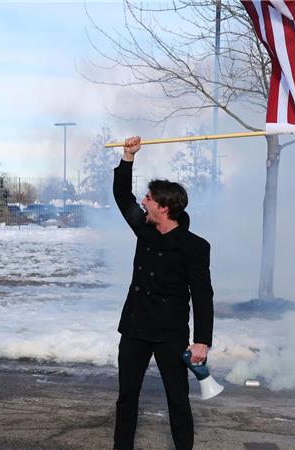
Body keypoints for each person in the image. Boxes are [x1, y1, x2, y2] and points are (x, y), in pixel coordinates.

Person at [112, 136, 214, 450]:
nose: (144, 202)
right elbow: (121, 195)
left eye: (150, 199)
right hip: (135, 328)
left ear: (164, 208)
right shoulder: (144, 227)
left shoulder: (194, 247)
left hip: (170, 333)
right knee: (127, 397)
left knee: (177, 400)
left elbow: (202, 294)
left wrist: (202, 341)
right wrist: (128, 157)